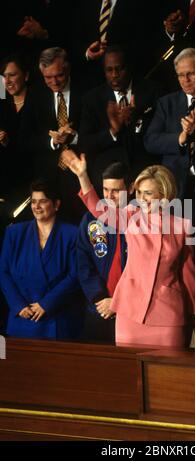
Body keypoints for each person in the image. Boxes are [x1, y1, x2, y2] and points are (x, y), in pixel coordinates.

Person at [62, 149, 195, 348]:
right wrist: (83, 176)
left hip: (168, 313)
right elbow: (99, 210)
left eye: (148, 193)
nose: (142, 199)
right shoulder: (130, 215)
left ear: (164, 194)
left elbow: (188, 273)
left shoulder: (183, 226)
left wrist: (194, 311)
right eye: (139, 193)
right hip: (129, 312)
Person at [0, 179, 83, 339]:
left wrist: (46, 304)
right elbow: (3, 272)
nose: (36, 207)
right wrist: (18, 305)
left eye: (43, 201)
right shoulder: (14, 233)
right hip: (22, 317)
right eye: (33, 202)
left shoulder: (72, 233)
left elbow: (75, 275)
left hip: (58, 319)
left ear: (56, 204)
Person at [144, 47, 195, 208]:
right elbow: (150, 141)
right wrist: (181, 138)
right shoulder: (167, 103)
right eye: (180, 75)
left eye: (191, 73)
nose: (185, 80)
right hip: (175, 187)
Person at [79, 45, 161, 192]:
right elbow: (85, 144)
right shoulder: (92, 99)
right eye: (109, 70)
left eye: (120, 69)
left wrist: (136, 120)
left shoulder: (152, 91)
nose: (114, 75)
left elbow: (158, 135)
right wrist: (113, 131)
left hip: (146, 176)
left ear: (129, 68)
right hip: (108, 179)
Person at [20, 47, 86, 223]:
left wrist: (75, 137)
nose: (54, 82)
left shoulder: (86, 89)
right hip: (48, 173)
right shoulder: (35, 94)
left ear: (68, 69)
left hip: (81, 170)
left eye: (59, 75)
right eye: (48, 77)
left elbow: (97, 132)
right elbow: (25, 137)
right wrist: (52, 141)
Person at [77, 162, 133, 341]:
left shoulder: (141, 220)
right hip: (98, 309)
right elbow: (83, 262)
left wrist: (117, 302)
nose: (109, 196)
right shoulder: (91, 220)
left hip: (131, 310)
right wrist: (99, 298)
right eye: (105, 189)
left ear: (130, 188)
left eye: (116, 190)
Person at [0, 55, 32, 199]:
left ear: (26, 76)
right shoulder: (2, 102)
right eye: (4, 76)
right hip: (7, 172)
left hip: (32, 170)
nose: (7, 81)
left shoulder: (38, 100)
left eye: (12, 75)